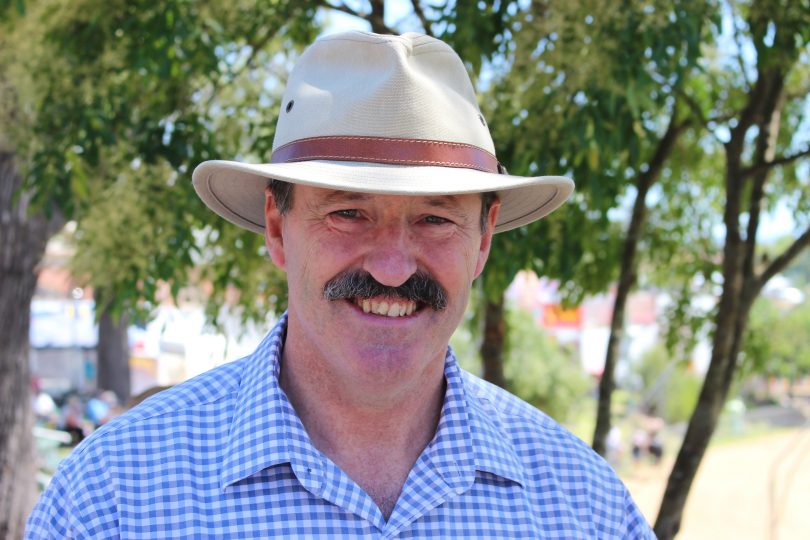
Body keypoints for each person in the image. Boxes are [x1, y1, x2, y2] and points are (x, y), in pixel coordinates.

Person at [27, 31, 654, 538]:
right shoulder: (111, 500)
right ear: (277, 226)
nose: (391, 267)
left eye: (435, 218)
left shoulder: (586, 508)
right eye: (348, 213)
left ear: (483, 239)